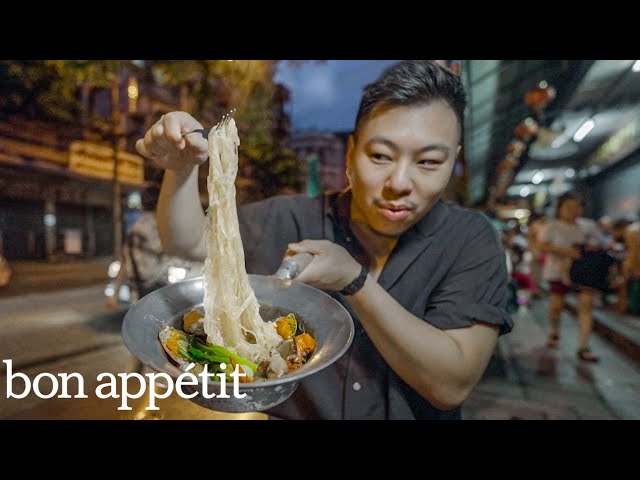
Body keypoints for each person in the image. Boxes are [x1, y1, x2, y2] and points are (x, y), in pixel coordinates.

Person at [135, 60, 513, 420]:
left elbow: (450, 385)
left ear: (454, 163)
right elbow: (186, 242)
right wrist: (181, 169)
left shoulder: (471, 240)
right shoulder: (291, 217)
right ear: (351, 154)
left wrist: (355, 281)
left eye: (428, 162)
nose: (399, 183)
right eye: (380, 156)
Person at [106, 185, 201, 309]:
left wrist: (114, 295)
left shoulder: (133, 229)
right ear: (161, 203)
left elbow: (124, 262)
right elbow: (177, 256)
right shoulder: (160, 228)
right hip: (159, 295)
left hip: (137, 297)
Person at [537, 192, 603, 362]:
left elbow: (599, 244)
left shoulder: (588, 226)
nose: (573, 211)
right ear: (560, 208)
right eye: (569, 207)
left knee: (586, 306)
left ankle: (583, 347)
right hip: (558, 272)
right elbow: (541, 245)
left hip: (583, 273)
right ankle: (554, 332)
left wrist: (585, 250)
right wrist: (566, 251)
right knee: (556, 306)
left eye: (577, 207)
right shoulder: (551, 226)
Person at [611, 215, 640, 315]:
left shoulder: (631, 231)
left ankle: (623, 311)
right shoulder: (634, 229)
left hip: (634, 267)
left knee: (626, 290)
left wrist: (632, 268)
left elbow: (633, 252)